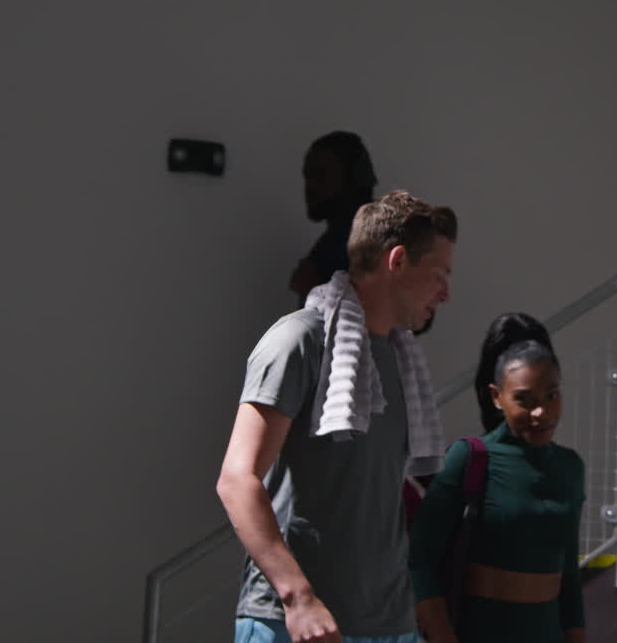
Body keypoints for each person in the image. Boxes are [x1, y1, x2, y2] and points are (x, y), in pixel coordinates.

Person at [218, 190, 457, 643]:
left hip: (389, 624)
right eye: (440, 274)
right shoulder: (299, 341)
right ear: (399, 260)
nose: (446, 293)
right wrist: (298, 599)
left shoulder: (403, 361)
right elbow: (236, 479)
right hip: (297, 623)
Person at [409, 315, 586, 643]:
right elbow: (420, 561)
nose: (541, 412)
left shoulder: (570, 468)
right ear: (496, 397)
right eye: (524, 399)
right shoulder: (469, 457)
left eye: (551, 395)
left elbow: (570, 577)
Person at [289, 130, 377, 305]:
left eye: (321, 177)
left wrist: (314, 288)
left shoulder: (372, 241)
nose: (310, 188)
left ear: (353, 181)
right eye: (307, 176)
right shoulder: (335, 239)